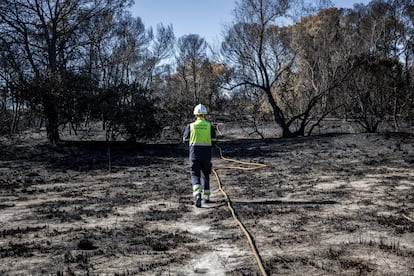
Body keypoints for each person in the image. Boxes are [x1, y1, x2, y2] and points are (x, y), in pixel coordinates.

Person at [183, 104, 216, 208]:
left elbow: (185, 140)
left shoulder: (191, 126)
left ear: (195, 114)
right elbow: (214, 142)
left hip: (194, 155)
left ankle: (197, 195)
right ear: (204, 114)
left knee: (195, 175)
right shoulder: (210, 126)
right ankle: (206, 197)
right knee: (205, 174)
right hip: (206, 155)